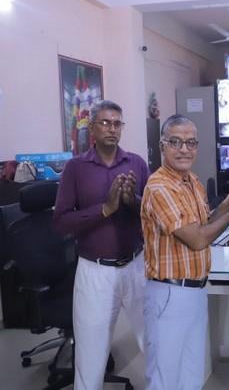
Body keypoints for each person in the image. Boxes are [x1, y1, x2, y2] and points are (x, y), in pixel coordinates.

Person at [141, 114, 229, 390]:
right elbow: (196, 240)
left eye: (191, 143)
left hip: (195, 290)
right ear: (162, 145)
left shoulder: (191, 181)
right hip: (169, 295)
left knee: (191, 377)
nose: (184, 149)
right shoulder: (160, 187)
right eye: (176, 142)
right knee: (164, 379)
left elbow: (203, 224)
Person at [53, 100, 149, 390]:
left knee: (156, 343)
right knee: (90, 357)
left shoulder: (137, 164)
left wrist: (133, 202)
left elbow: (152, 215)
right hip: (95, 272)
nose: (112, 128)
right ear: (92, 128)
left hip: (136, 266)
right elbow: (61, 223)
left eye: (117, 123)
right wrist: (104, 209)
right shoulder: (75, 168)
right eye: (105, 123)